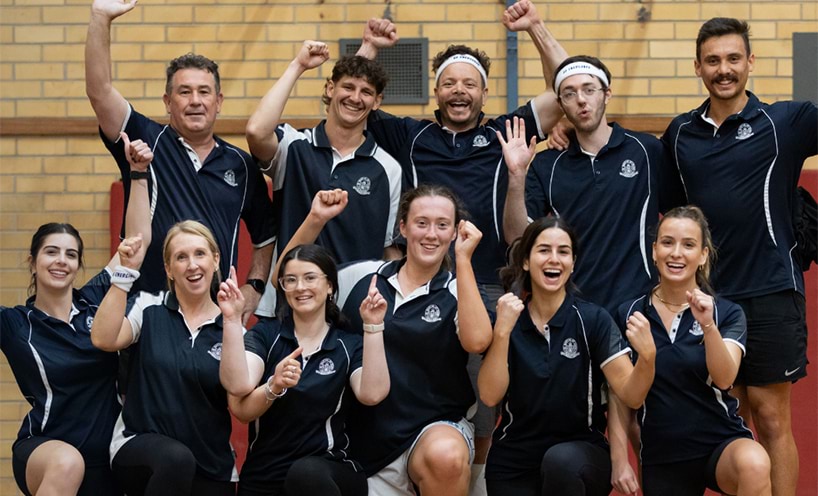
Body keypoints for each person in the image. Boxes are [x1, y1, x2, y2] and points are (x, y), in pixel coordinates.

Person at [356, 5, 563, 481]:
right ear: (436, 90)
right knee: (418, 388)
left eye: (470, 83)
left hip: (487, 284)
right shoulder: (411, 135)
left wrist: (534, 27)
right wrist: (369, 44)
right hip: (418, 284)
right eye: (450, 83)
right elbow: (357, 95)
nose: (459, 91)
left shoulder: (505, 131)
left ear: (485, 92)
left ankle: (474, 482)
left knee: (483, 399)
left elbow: (564, 89)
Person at [660, 17, 817, 495]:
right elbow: (670, 210)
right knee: (729, 418)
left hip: (771, 291)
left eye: (733, 59)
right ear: (697, 67)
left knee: (770, 417)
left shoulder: (785, 123)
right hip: (708, 300)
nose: (723, 69)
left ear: (750, 62)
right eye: (713, 61)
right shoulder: (679, 135)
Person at [276, 185, 493, 496]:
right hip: (360, 440)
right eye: (421, 223)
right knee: (307, 475)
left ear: (455, 232)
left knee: (445, 456)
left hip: (430, 433)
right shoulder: (364, 277)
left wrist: (464, 260)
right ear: (403, 227)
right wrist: (315, 219)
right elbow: (287, 280)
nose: (431, 234)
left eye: (442, 225)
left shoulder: (460, 288)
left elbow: (477, 342)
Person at [85, 0, 275, 320]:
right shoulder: (143, 137)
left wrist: (255, 286)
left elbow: (266, 236)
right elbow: (99, 91)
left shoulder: (241, 166)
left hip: (214, 315)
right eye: (184, 92)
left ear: (219, 102)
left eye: (204, 92)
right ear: (167, 102)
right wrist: (101, 17)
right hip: (144, 310)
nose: (196, 101)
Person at [0, 133, 152, 496]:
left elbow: (138, 240)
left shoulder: (98, 298)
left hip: (106, 456)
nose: (61, 261)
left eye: (70, 255)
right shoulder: (15, 324)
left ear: (78, 264)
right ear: (33, 263)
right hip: (48, 451)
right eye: (51, 252)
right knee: (68, 463)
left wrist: (138, 174)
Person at [500, 1, 664, 316]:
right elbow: (518, 236)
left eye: (589, 89)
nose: (582, 100)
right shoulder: (547, 165)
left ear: (607, 93)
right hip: (572, 309)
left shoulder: (646, 151)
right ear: (561, 103)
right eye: (571, 94)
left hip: (638, 307)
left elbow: (677, 216)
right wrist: (517, 176)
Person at [216, 206, 391, 495]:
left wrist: (373, 325)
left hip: (328, 471)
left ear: (330, 286)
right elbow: (238, 390)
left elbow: (372, 394)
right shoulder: (266, 335)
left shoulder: (348, 344)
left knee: (306, 473)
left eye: (310, 278)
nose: (300, 287)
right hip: (266, 474)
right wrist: (273, 383)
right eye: (291, 280)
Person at [477, 217, 656, 496]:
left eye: (563, 252)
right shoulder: (508, 319)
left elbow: (631, 396)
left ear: (573, 263)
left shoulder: (592, 319)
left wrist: (647, 357)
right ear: (525, 261)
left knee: (561, 462)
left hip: (581, 455)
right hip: (515, 458)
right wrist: (500, 333)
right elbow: (489, 396)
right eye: (544, 250)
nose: (554, 259)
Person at [615, 206, 771, 495]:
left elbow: (725, 378)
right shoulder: (630, 314)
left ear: (702, 255)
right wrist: (618, 460)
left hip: (720, 443)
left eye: (688, 245)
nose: (676, 253)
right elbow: (624, 397)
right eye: (667, 242)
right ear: (654, 251)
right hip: (664, 456)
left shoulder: (727, 312)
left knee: (755, 462)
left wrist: (709, 326)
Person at [246, 40, 402, 318]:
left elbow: (389, 249)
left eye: (366, 92)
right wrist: (298, 66)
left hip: (353, 308)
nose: (355, 98)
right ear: (331, 89)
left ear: (377, 101)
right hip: (287, 303)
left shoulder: (388, 168)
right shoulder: (294, 146)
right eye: (348, 87)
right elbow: (257, 131)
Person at [91, 220, 237, 496]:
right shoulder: (148, 306)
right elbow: (104, 338)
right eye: (181, 257)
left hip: (210, 462)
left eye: (199, 254)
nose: (192, 265)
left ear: (216, 260)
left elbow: (240, 396)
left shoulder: (232, 328)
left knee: (183, 463)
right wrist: (126, 272)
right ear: (169, 269)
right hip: (139, 448)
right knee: (175, 459)